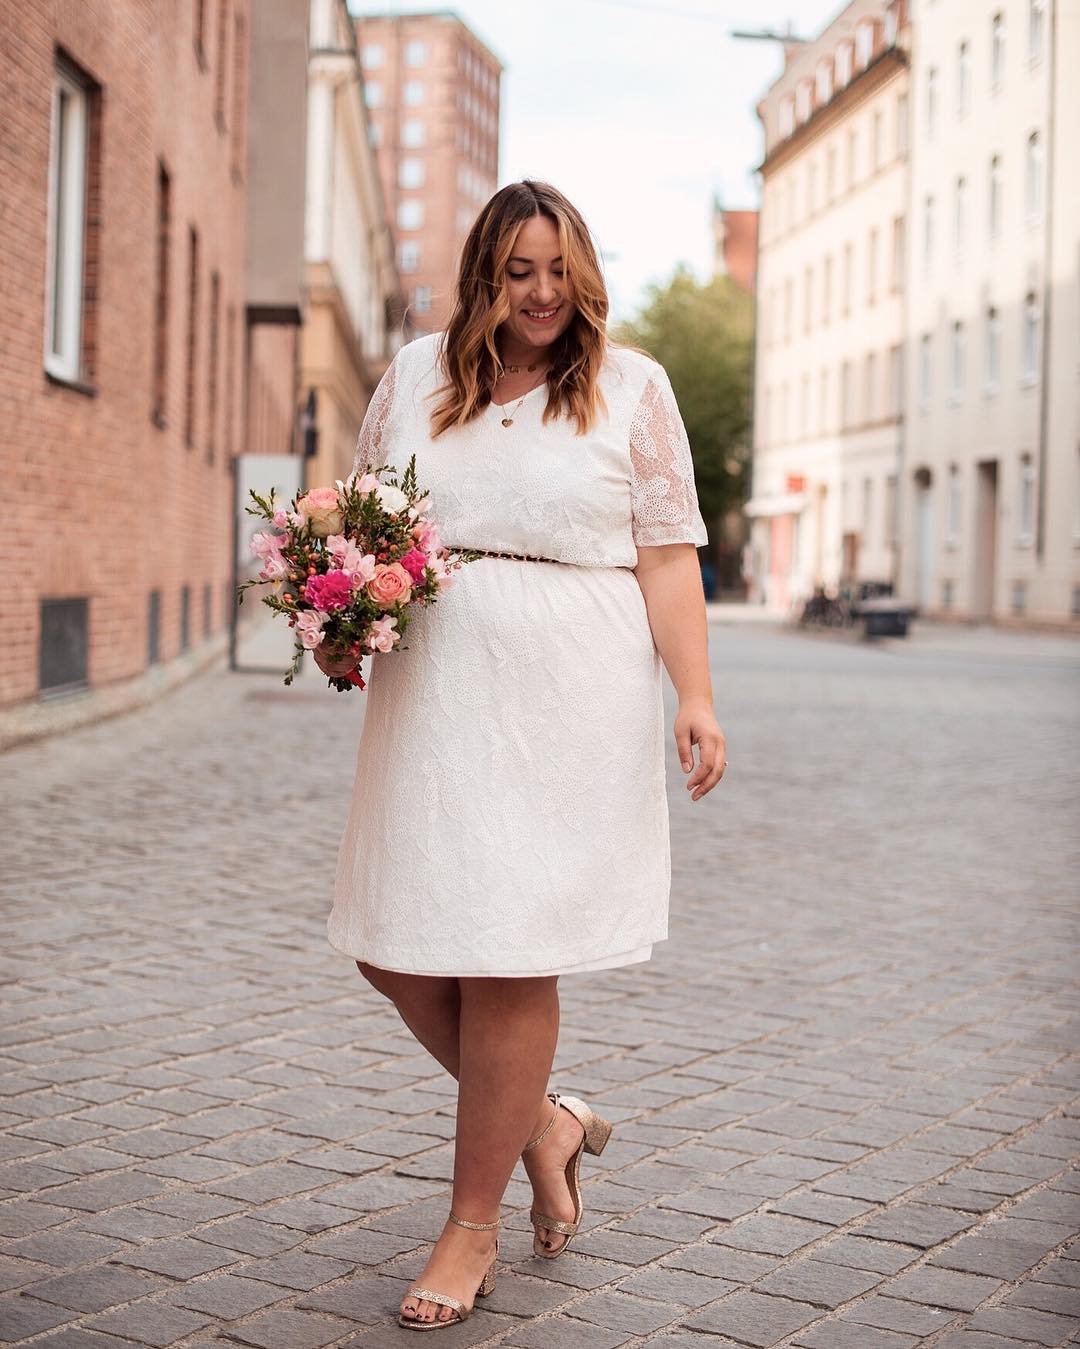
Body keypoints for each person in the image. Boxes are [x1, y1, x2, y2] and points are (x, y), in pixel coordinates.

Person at [316, 180, 727, 1330]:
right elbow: (361, 517)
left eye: (560, 270)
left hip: (568, 700)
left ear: (583, 272)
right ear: (484, 277)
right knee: (394, 944)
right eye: (518, 272)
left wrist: (694, 692)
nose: (542, 294)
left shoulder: (632, 388)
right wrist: (339, 610)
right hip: (432, 695)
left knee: (507, 954)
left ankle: (472, 1224)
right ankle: (546, 1120)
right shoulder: (410, 378)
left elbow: (667, 555)